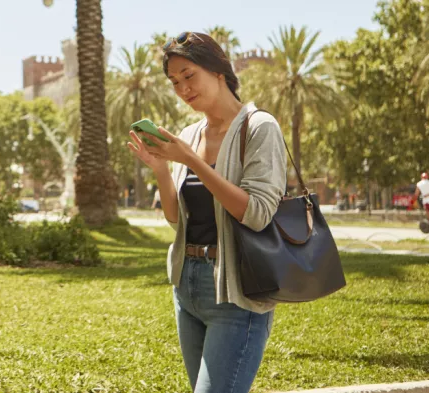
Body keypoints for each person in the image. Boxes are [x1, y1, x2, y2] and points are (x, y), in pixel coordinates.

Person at [127, 32, 287, 393]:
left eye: (188, 75)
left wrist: (192, 161)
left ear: (218, 71)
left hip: (236, 292)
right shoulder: (190, 134)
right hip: (188, 287)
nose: (182, 88)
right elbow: (175, 219)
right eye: (174, 82)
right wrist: (161, 168)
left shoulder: (260, 127)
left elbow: (258, 213)